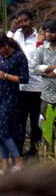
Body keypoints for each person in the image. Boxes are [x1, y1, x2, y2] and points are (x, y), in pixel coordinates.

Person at [0, 33, 30, 174]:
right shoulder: (0, 56)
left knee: (3, 130)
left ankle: (18, 159)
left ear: (6, 45)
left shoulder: (19, 57)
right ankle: (5, 164)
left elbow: (24, 78)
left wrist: (6, 76)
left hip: (10, 96)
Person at [10, 10, 43, 158]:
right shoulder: (15, 36)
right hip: (20, 86)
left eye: (25, 20)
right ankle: (18, 149)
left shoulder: (40, 38)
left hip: (37, 86)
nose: (23, 24)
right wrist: (11, 30)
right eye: (20, 21)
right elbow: (3, 46)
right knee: (19, 119)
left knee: (35, 119)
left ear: (32, 20)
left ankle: (34, 149)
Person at [30, 18, 56, 155]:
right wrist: (48, 69)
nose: (49, 35)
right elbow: (34, 67)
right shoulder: (42, 49)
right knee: (47, 127)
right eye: (47, 32)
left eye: (52, 32)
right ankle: (48, 155)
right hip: (47, 96)